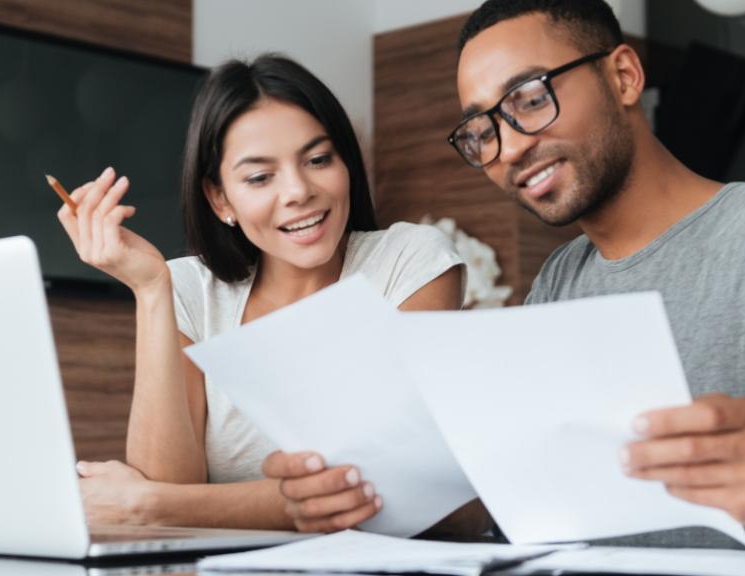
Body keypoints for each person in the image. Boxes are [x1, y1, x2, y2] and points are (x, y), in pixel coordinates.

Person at [436, 0, 745, 553]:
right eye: (481, 131)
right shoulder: (557, 281)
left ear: (624, 76)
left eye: (531, 99)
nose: (508, 149)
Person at [56, 54, 471, 533]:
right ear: (220, 199)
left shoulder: (410, 262)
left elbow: (386, 487)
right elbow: (167, 485)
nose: (298, 191)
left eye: (318, 160)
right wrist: (150, 291)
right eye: (259, 177)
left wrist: (148, 505)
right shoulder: (190, 289)